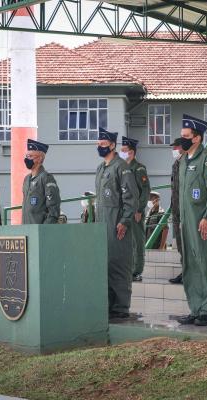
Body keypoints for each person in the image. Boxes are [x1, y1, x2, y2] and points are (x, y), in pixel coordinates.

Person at [176, 114, 207, 327]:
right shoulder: (183, 161)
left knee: (205, 264)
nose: (182, 140)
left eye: (186, 136)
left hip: (203, 222)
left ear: (196, 138)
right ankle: (196, 308)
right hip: (187, 223)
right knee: (190, 265)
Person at [95, 128, 139, 320]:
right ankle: (109, 304)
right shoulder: (101, 168)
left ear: (112, 145)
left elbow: (131, 197)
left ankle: (121, 306)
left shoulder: (122, 167)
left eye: (103, 144)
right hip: (102, 224)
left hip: (118, 224)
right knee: (105, 263)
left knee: (119, 263)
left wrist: (125, 220)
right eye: (98, 144)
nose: (100, 147)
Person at [120, 136, 151, 282]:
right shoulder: (122, 168)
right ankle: (128, 268)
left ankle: (137, 270)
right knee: (126, 241)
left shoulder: (138, 168)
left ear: (131, 152)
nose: (121, 152)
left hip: (135, 211)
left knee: (137, 241)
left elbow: (145, 190)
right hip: (124, 211)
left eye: (124, 150)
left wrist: (139, 209)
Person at [21, 139, 61, 224]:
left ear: (40, 159)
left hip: (40, 231)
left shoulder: (46, 178)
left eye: (30, 156)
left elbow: (53, 209)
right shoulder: (27, 179)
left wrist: (45, 228)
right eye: (26, 156)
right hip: (26, 228)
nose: (27, 159)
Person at [169, 137, 185, 285]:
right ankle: (185, 271)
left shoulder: (189, 162)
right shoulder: (176, 164)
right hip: (177, 211)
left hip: (187, 211)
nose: (174, 150)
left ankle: (191, 272)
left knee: (188, 244)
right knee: (180, 244)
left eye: (176, 147)